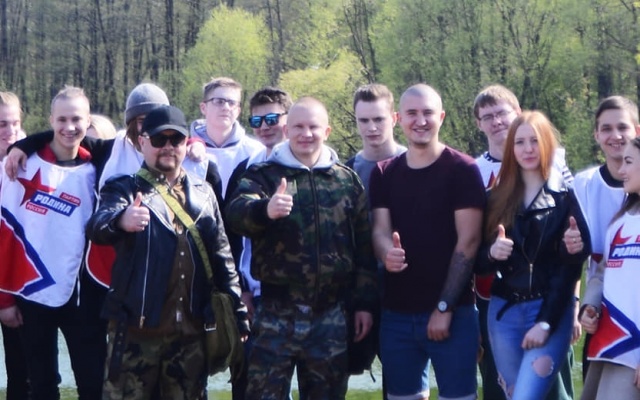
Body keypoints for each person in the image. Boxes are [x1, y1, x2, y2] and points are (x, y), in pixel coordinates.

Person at [86, 105, 249, 399]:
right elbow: (97, 227)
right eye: (159, 139)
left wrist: (238, 315)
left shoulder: (204, 192)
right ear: (142, 142)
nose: (168, 147)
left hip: (191, 333)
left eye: (176, 140)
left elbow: (223, 257)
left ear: (186, 143)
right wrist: (121, 220)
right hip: (135, 331)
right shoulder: (123, 188)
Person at [225, 97, 378, 399]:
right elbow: (235, 214)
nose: (306, 134)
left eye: (313, 127)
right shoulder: (263, 174)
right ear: (286, 130)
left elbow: (363, 248)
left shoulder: (346, 181)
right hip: (276, 312)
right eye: (298, 127)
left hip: (330, 315)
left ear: (327, 131)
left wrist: (364, 304)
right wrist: (265, 210)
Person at [370, 83, 485, 400]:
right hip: (396, 314)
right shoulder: (383, 172)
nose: (420, 121)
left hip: (454, 312)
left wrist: (444, 307)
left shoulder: (463, 169)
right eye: (412, 113)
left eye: (428, 113)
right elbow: (379, 231)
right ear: (398, 119)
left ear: (441, 117)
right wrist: (386, 253)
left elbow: (469, 242)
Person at [473, 84, 578, 400]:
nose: (496, 122)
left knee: (549, 390)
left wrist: (570, 308)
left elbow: (571, 261)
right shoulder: (482, 183)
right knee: (505, 390)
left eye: (501, 113)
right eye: (487, 117)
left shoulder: (563, 186)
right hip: (500, 305)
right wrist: (492, 253)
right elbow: (473, 253)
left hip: (551, 304)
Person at [0, 86, 105, 399]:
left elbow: (143, 138)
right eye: (61, 119)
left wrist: (195, 142)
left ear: (88, 121)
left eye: (76, 119)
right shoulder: (20, 165)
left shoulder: (99, 166)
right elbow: (5, 236)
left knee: (94, 384)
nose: (69, 127)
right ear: (50, 121)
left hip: (84, 296)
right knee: (40, 385)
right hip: (33, 293)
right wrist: (4, 300)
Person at [224, 86, 293, 400]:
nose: (264, 126)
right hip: (256, 298)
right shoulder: (245, 169)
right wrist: (241, 290)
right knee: (251, 386)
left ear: (288, 120)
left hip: (303, 298)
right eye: (256, 121)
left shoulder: (311, 166)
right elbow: (230, 235)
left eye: (272, 119)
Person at [343, 83, 406, 393]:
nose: (371, 127)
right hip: (358, 292)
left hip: (407, 291)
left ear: (394, 118)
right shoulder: (345, 172)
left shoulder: (415, 163)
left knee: (403, 386)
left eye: (379, 119)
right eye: (364, 120)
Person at [573, 96, 640, 380]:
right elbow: (592, 263)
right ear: (596, 135)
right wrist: (583, 305)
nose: (616, 136)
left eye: (622, 127)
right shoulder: (583, 184)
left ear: (637, 130)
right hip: (603, 314)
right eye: (606, 128)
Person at [0, 91, 30, 399]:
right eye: (2, 124)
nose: (10, 131)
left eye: (15, 123)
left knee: (23, 373)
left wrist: (6, 300)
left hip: (17, 286)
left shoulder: (31, 162)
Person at [190, 76, 264, 198]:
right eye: (219, 101)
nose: (226, 107)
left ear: (238, 111)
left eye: (232, 103)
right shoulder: (185, 151)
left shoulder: (255, 152)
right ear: (203, 108)